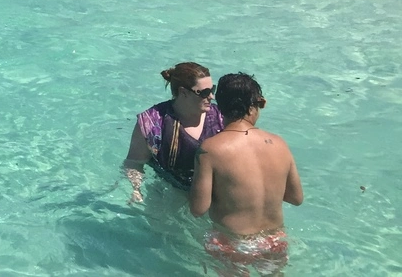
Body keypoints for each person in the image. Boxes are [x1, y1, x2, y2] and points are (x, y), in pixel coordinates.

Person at [190, 73, 303, 273]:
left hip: (231, 242)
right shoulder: (279, 144)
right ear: (253, 106)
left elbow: (198, 209)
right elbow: (296, 198)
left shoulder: (211, 150)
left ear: (221, 106)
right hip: (273, 241)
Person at [123, 61, 224, 202]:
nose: (211, 97)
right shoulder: (151, 122)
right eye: (205, 92)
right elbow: (134, 162)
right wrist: (136, 190)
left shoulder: (222, 118)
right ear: (183, 92)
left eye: (212, 90)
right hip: (169, 190)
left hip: (215, 195)